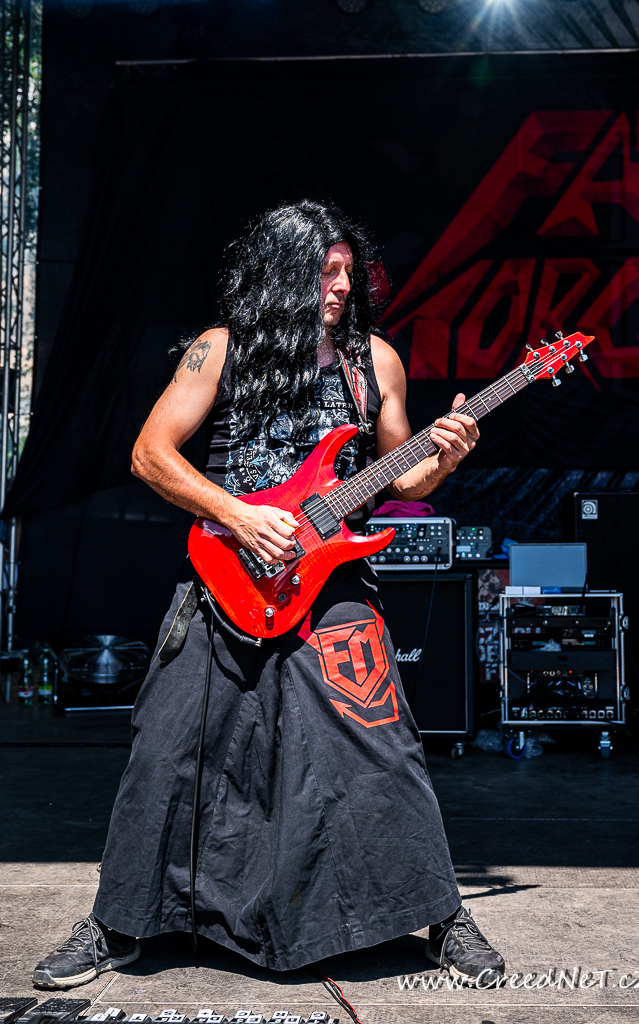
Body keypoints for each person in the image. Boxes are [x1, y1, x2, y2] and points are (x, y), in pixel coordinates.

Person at [33, 201, 505, 990]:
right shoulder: (219, 349)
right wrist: (239, 515)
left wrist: (447, 455)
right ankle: (117, 921)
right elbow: (150, 455)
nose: (343, 286)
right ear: (283, 272)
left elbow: (404, 478)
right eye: (326, 271)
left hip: (333, 583)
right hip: (226, 572)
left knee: (382, 745)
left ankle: (441, 916)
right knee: (166, 748)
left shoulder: (373, 362)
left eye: (348, 272)